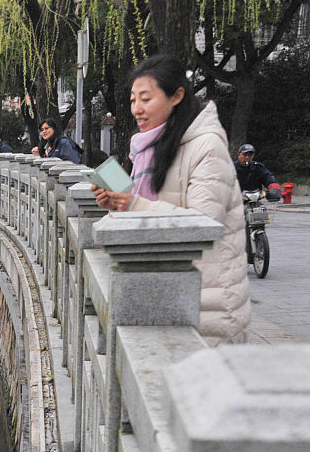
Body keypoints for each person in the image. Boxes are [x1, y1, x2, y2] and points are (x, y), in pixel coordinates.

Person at [91, 55, 250, 345]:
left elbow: (204, 223)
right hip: (168, 295)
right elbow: (143, 200)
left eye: (146, 99)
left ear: (176, 96)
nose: (136, 109)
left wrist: (133, 205)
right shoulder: (148, 146)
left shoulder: (206, 146)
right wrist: (117, 202)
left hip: (207, 305)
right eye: (132, 100)